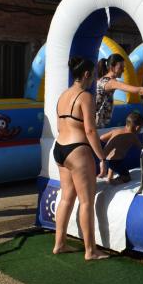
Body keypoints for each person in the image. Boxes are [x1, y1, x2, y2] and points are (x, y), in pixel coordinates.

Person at [52, 57, 109, 258]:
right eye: (93, 75)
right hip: (77, 150)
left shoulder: (63, 95)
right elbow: (90, 131)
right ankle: (90, 250)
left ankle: (59, 244)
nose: (94, 78)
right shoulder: (85, 97)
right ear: (86, 74)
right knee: (86, 202)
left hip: (60, 148)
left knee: (66, 198)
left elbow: (59, 126)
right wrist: (102, 157)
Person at [95, 54, 143, 129]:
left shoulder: (103, 79)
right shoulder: (110, 82)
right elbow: (138, 90)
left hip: (96, 121)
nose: (123, 70)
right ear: (112, 67)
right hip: (96, 123)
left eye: (123, 67)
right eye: (121, 67)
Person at [99, 111, 143, 183]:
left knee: (113, 163)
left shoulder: (116, 131)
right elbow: (141, 147)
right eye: (141, 128)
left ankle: (109, 177)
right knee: (127, 177)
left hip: (107, 158)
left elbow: (102, 138)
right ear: (137, 128)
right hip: (117, 161)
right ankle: (113, 182)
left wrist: (113, 142)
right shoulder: (133, 137)